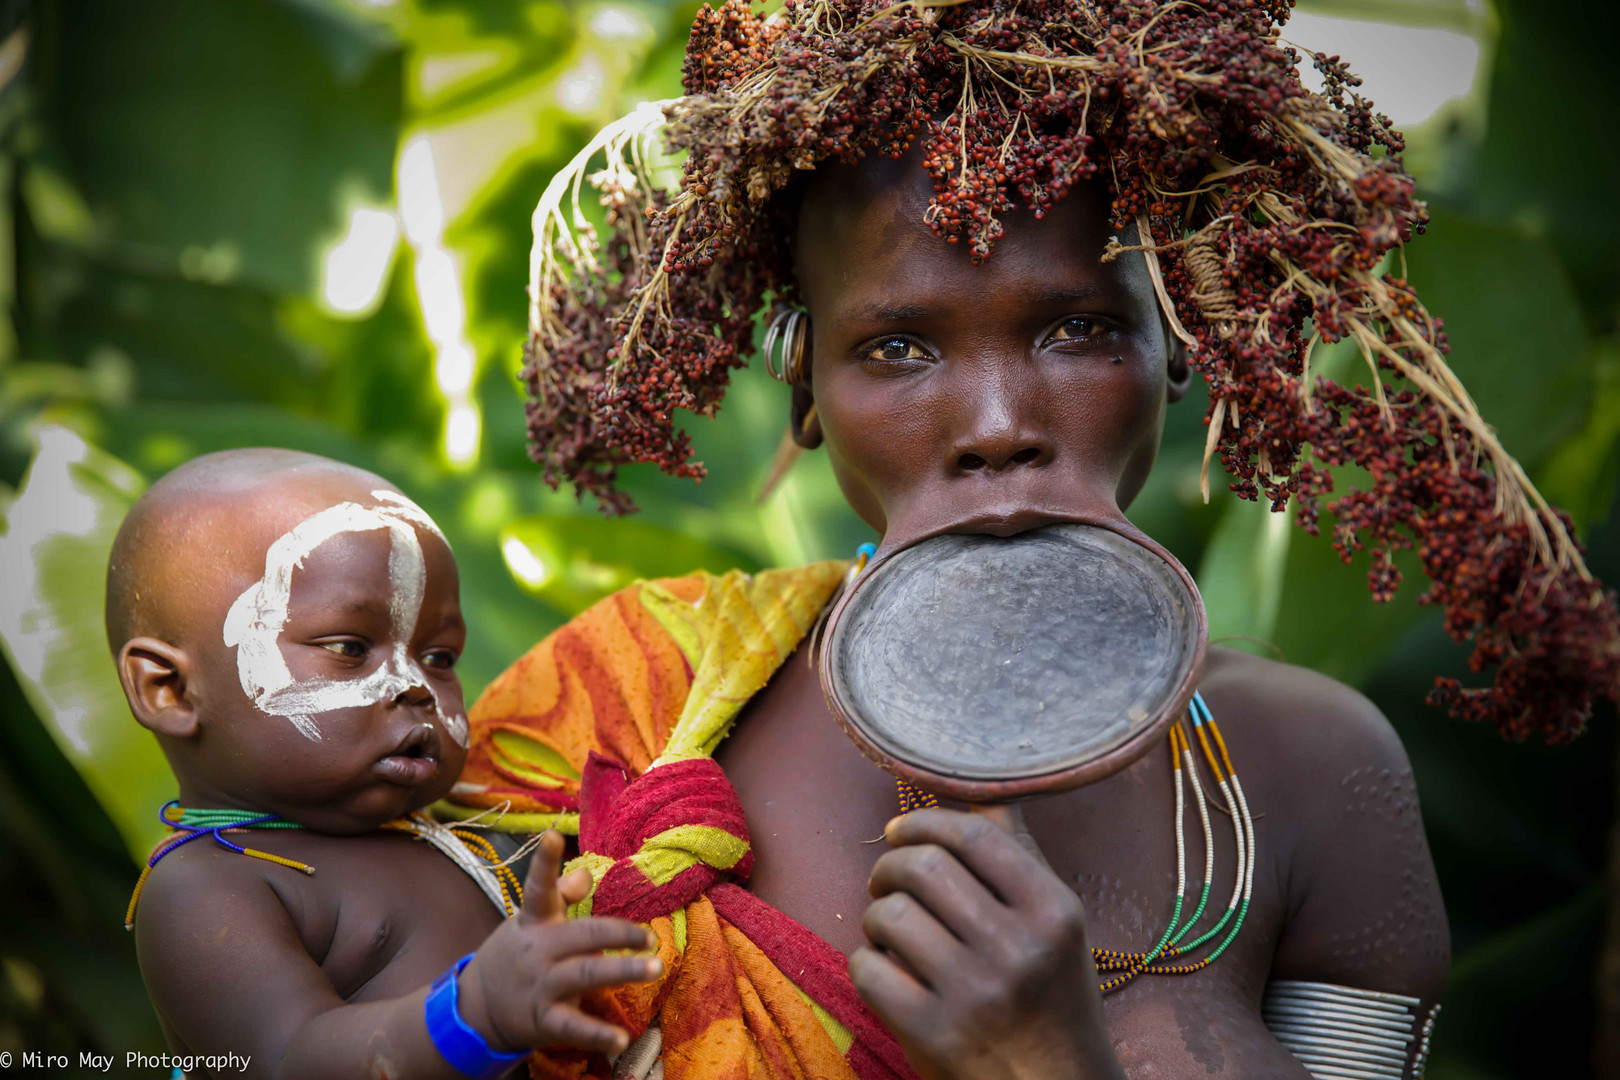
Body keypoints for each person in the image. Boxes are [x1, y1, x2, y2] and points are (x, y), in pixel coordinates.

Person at [443, 0, 1619, 1077]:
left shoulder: (1313, 771)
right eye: (897, 349)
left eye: (1077, 331)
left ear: (1180, 348)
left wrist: (1049, 1058)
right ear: (805, 391)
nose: (999, 424)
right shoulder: (641, 711)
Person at [109, 449, 663, 1079]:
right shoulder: (204, 889)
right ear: (170, 691)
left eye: (439, 657)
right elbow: (289, 1060)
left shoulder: (462, 822)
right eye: (350, 647)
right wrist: (474, 1013)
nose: (415, 685)